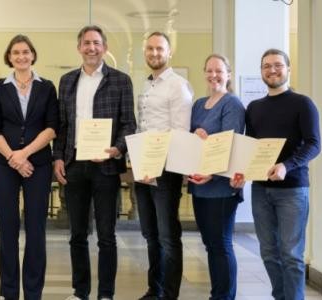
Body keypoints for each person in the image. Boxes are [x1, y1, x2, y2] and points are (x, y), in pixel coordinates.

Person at [52, 25, 136, 300]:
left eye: (97, 43)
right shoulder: (66, 81)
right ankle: (80, 292)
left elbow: (128, 123)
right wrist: (58, 158)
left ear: (105, 47)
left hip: (106, 166)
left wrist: (116, 149)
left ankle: (106, 294)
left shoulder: (121, 81)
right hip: (75, 164)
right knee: (77, 234)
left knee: (106, 236)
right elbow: (62, 126)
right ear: (79, 48)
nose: (91, 48)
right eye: (86, 43)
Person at [231, 48, 320, 300]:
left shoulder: (303, 103)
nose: (272, 70)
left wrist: (286, 166)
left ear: (288, 69)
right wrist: (243, 172)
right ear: (261, 71)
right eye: (266, 66)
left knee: (291, 254)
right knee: (269, 252)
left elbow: (314, 144)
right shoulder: (254, 107)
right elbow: (251, 146)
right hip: (261, 189)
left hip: (293, 189)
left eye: (278, 65)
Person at [0, 34, 58, 300]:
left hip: (37, 163)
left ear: (33, 55)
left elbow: (52, 127)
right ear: (9, 57)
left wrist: (24, 154)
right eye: (16, 52)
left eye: (26, 51)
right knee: (8, 226)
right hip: (3, 164)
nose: (21, 56)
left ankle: (33, 291)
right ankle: (9, 292)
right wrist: (12, 158)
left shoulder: (47, 87)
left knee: (36, 227)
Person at [133, 31, 193, 300]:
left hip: (165, 171)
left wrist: (156, 164)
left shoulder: (178, 85)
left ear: (169, 53)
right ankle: (153, 289)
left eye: (159, 49)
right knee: (150, 234)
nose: (154, 53)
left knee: (168, 237)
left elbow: (180, 132)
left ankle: (169, 294)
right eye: (150, 49)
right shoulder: (146, 85)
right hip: (143, 167)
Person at [187, 54, 245, 300]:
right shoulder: (199, 104)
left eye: (219, 71)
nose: (214, 76)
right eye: (209, 71)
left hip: (221, 185)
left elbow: (229, 143)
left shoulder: (232, 103)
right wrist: (196, 135)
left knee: (221, 245)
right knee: (210, 245)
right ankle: (217, 294)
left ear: (228, 74)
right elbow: (193, 140)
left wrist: (211, 172)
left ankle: (224, 296)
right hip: (200, 186)